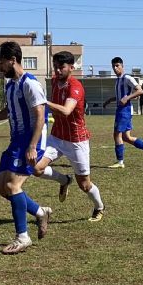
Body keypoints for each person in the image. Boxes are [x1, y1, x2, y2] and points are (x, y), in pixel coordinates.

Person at [0, 41, 52, 255]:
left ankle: (22, 237)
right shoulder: (11, 85)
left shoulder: (30, 84)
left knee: (12, 185)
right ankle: (40, 212)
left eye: (1, 63)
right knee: (1, 187)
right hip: (16, 140)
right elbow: (10, 110)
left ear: (12, 60)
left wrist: (33, 146)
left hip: (30, 140)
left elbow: (40, 116)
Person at [34, 51, 106, 222]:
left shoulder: (75, 87)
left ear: (71, 68)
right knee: (36, 168)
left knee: (84, 185)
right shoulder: (53, 81)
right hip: (57, 137)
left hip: (76, 140)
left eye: (61, 67)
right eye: (55, 67)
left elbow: (66, 111)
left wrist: (43, 102)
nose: (58, 71)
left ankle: (99, 207)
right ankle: (64, 180)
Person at [102, 57, 143, 168]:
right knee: (126, 137)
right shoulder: (118, 80)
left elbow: (139, 90)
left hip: (124, 110)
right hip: (122, 109)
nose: (115, 68)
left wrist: (128, 98)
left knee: (117, 134)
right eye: (113, 66)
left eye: (117, 65)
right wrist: (110, 100)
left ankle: (120, 162)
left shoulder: (127, 78)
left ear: (122, 66)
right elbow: (120, 97)